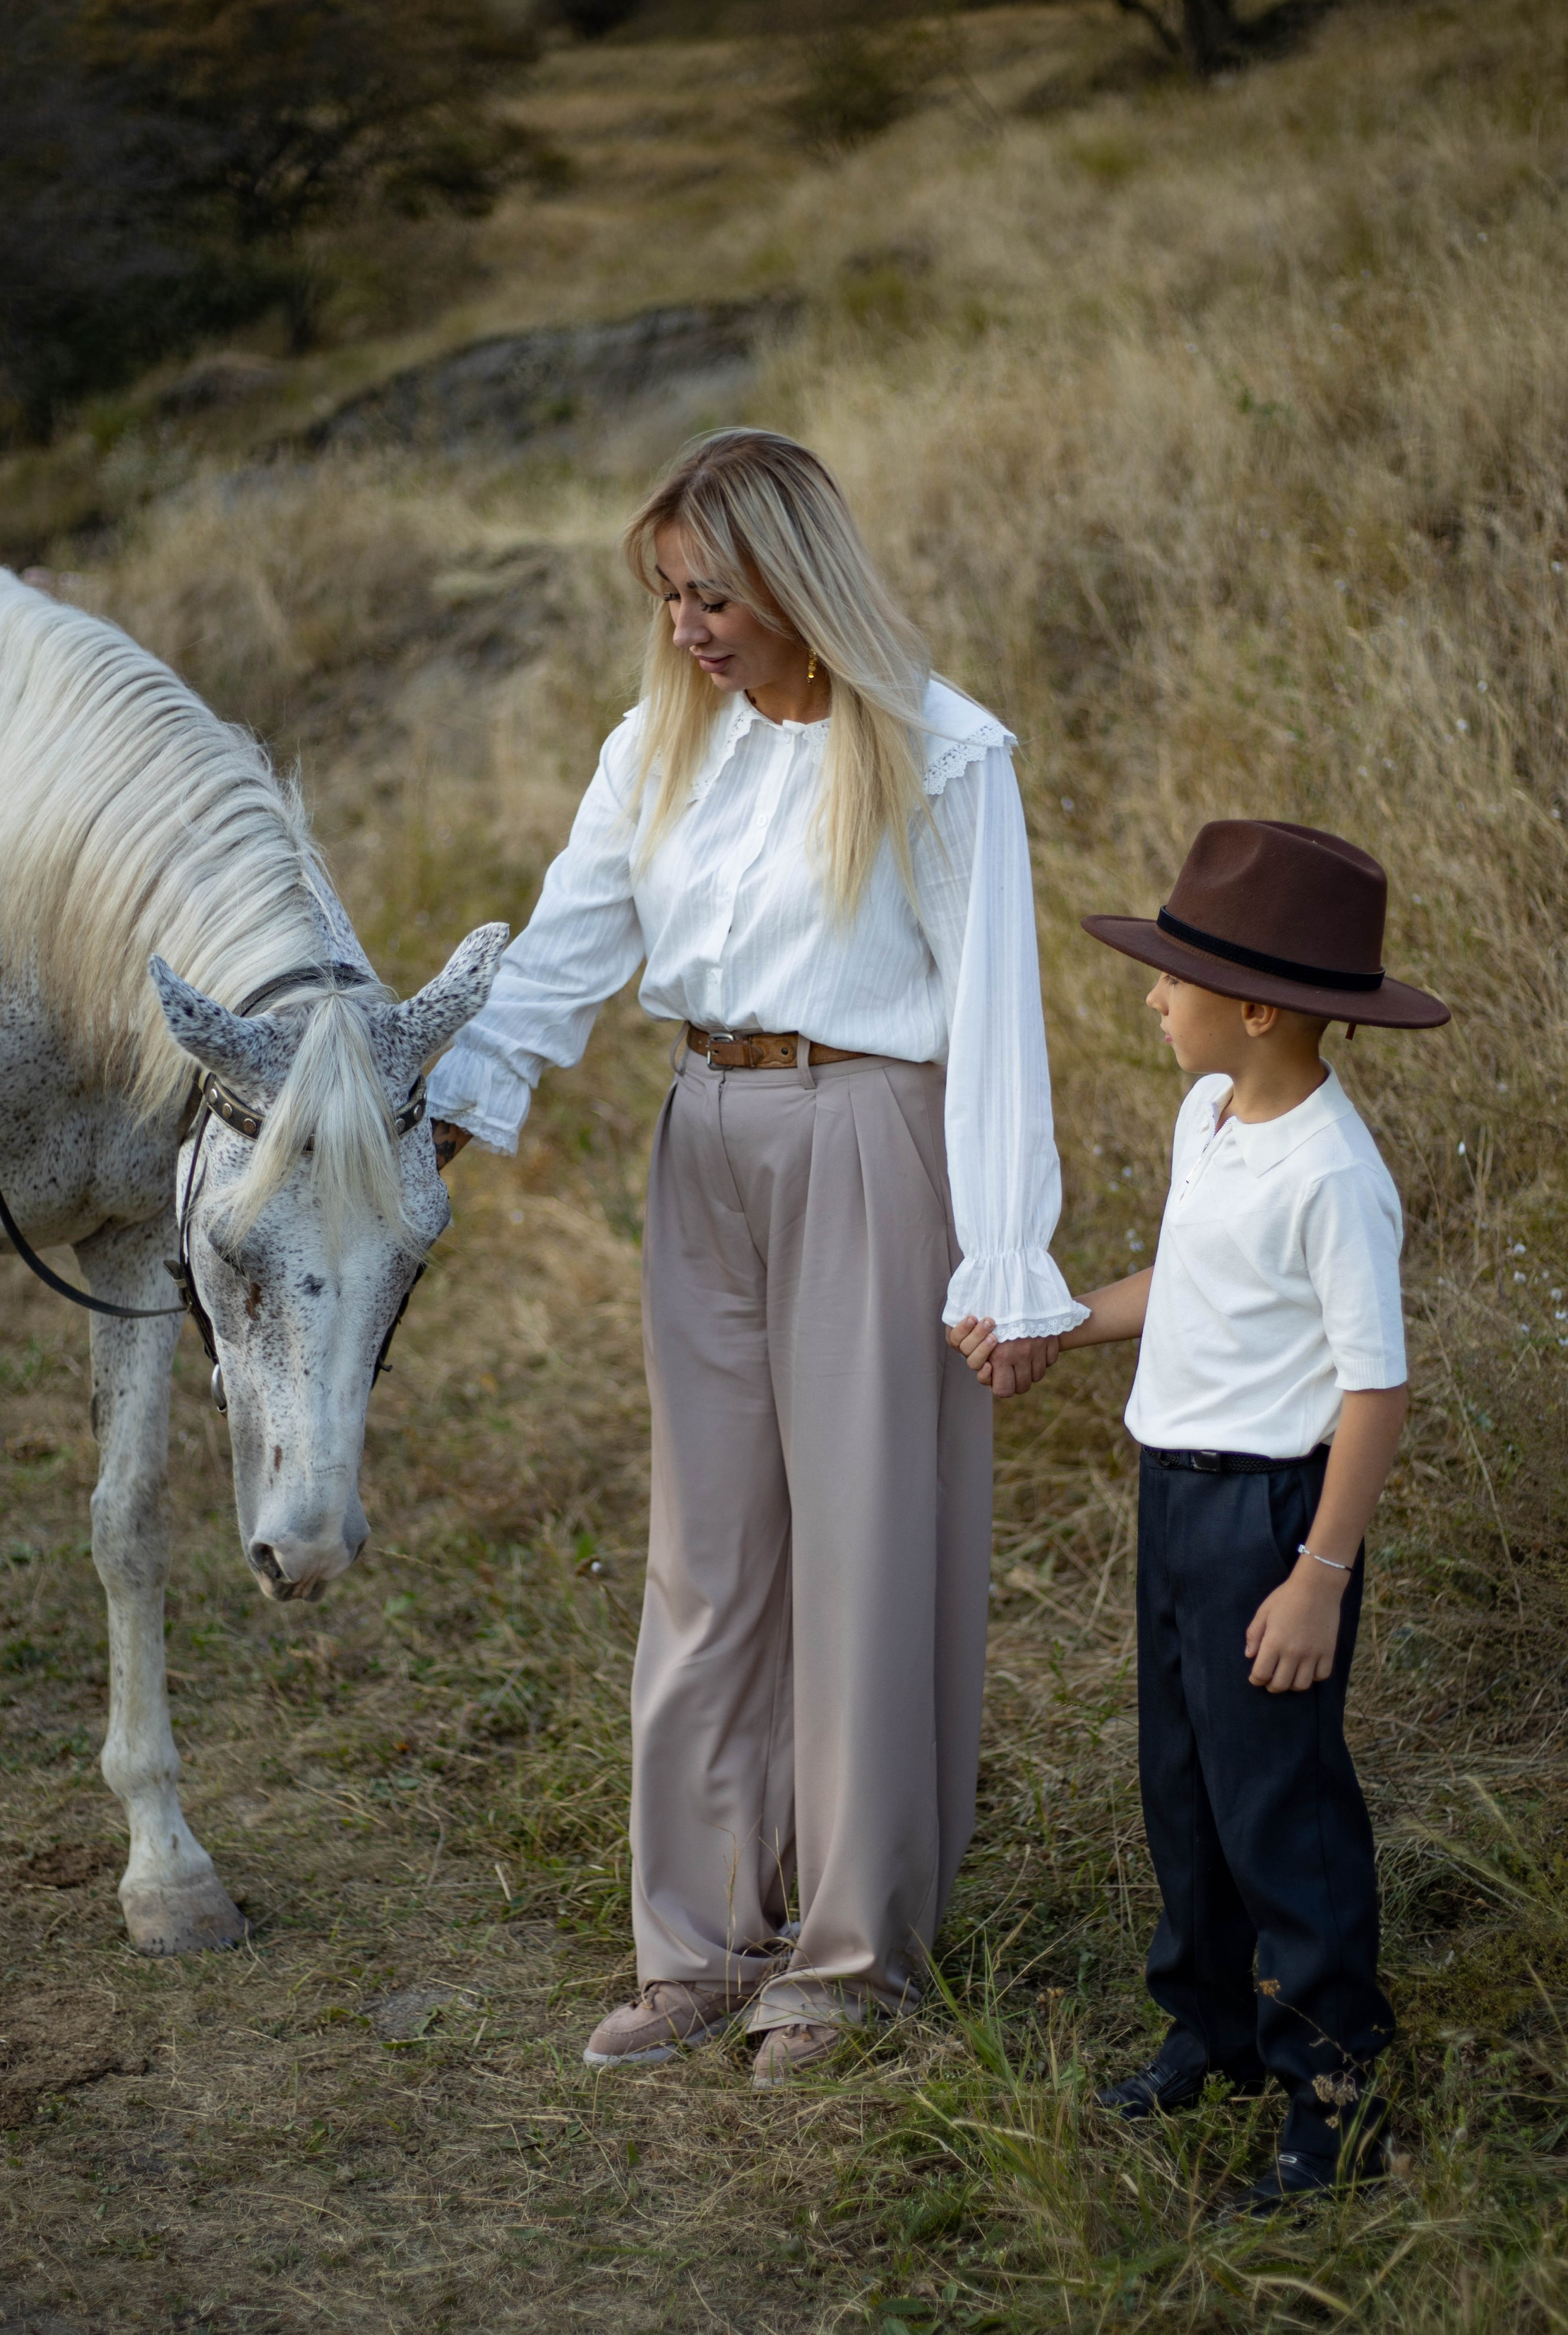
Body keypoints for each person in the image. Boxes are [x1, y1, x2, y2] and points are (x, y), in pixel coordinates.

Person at [428, 428, 1087, 2087]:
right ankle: (701, 1939)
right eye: (665, 596)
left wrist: (1006, 1255)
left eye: (709, 595)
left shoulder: (941, 754)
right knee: (706, 1552)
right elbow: (562, 954)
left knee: (864, 1541)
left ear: (795, 581)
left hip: (868, 1135)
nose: (683, 631)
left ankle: (853, 1954)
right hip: (699, 1134)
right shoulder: (656, 749)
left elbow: (996, 1013)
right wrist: (422, 1110)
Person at [951, 819, 1448, 2210]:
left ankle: (1331, 2098)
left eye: (1170, 978)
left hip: (1271, 1520)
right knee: (1180, 1787)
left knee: (1274, 1807)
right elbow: (1181, 1289)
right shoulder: (1209, 1117)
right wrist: (1053, 1323)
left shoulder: (1332, 1177)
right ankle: (1209, 2035)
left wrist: (1316, 1576)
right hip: (1172, 1502)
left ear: (1255, 1007)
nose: (1149, 997)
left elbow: (1373, 1392)